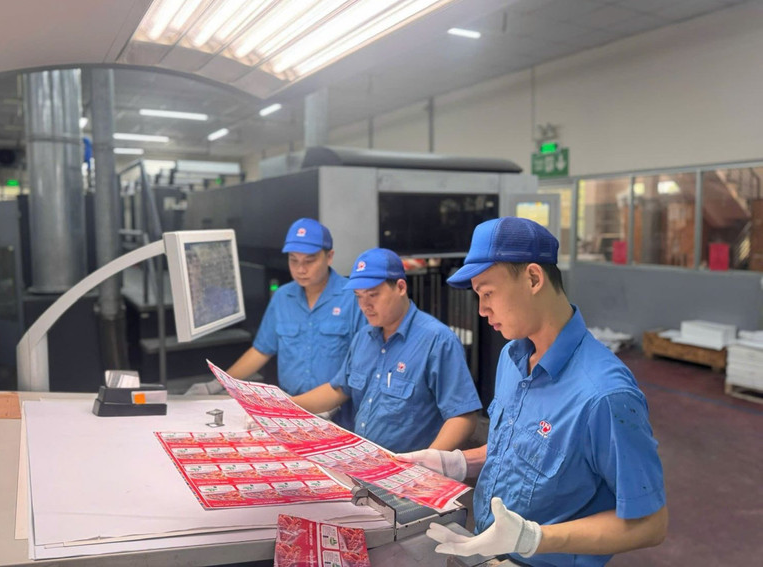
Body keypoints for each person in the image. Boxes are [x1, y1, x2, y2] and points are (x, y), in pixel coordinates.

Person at [399, 217, 667, 566]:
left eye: (488, 293)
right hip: (489, 553)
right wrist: (458, 462)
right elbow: (519, 450)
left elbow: (650, 524)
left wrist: (534, 538)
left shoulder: (604, 395)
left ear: (533, 278)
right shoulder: (512, 358)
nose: (481, 311)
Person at [292, 248, 482, 453]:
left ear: (400, 287)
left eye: (373, 295)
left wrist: (427, 463)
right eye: (359, 296)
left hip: (409, 471)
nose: (365, 306)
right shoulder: (364, 337)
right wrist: (284, 404)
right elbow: (338, 389)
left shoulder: (437, 340)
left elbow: (463, 416)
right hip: (364, 461)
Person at [186, 218, 365, 415]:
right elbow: (261, 350)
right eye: (293, 260)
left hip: (337, 411)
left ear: (329, 256)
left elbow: (361, 366)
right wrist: (218, 384)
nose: (300, 269)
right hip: (290, 406)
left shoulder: (353, 298)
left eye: (309, 260)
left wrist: (325, 404)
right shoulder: (282, 297)